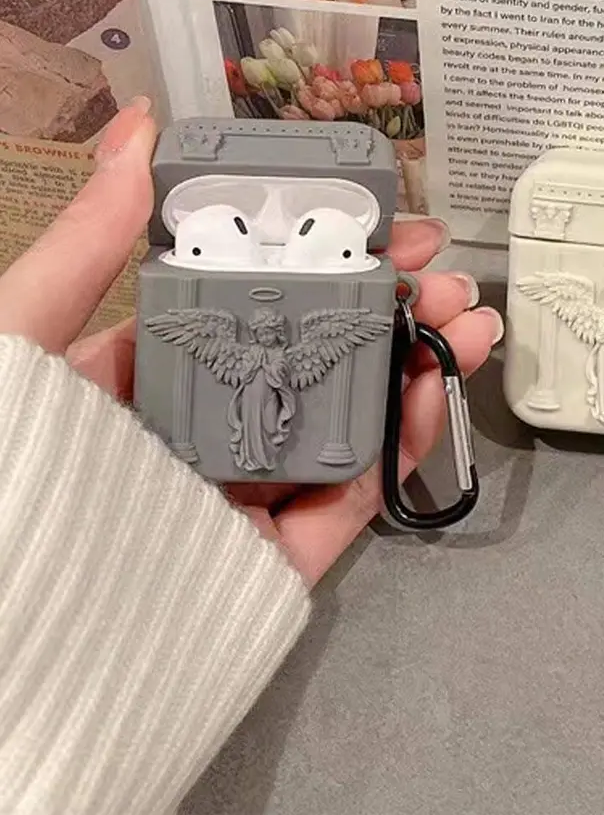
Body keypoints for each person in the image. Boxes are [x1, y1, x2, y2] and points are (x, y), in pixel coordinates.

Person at [0, 98, 503, 814]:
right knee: (256, 423)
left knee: (270, 422)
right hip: (224, 429)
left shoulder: (320, 293)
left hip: (240, 441)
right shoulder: (194, 289)